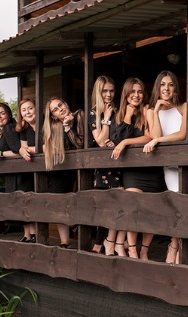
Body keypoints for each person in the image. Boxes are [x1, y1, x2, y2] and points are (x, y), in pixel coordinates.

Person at [110, 78, 161, 259]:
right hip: (132, 172)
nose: (136, 95)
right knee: (132, 209)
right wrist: (127, 117)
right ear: (126, 94)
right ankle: (132, 248)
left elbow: (148, 137)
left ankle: (144, 250)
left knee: (151, 213)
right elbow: (116, 139)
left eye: (139, 92)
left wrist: (125, 142)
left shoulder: (147, 110)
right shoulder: (119, 115)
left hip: (151, 171)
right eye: (132, 92)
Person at [142, 70, 188, 264]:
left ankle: (175, 246)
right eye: (162, 84)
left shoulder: (184, 107)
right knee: (174, 208)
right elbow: (154, 135)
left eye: (170, 84)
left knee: (183, 207)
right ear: (157, 87)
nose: (166, 88)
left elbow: (182, 133)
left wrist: (158, 140)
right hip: (167, 168)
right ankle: (175, 245)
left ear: (175, 87)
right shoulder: (150, 110)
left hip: (185, 165)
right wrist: (157, 111)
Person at [88, 75, 124, 256]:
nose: (109, 94)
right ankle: (98, 244)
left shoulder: (119, 109)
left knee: (121, 205)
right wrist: (107, 118)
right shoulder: (94, 112)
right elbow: (101, 140)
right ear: (98, 92)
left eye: (111, 90)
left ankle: (116, 242)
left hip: (121, 161)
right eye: (105, 91)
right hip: (104, 167)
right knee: (105, 207)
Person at [42, 96, 84, 248]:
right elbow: (46, 147)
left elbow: (81, 144)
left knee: (80, 202)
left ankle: (75, 228)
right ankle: (65, 242)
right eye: (55, 109)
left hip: (78, 168)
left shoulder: (78, 115)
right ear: (53, 116)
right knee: (59, 205)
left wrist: (68, 127)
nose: (61, 109)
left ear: (65, 103)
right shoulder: (53, 128)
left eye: (60, 105)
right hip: (58, 171)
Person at [14, 98, 38, 242]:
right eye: (24, 110)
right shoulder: (24, 129)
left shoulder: (45, 125)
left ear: (36, 108)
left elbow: (45, 147)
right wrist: (23, 150)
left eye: (30, 108)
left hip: (46, 168)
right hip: (30, 168)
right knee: (24, 196)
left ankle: (36, 233)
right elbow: (23, 148)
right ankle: (28, 234)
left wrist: (27, 149)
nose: (27, 112)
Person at [0, 102, 21, 195]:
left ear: (9, 115)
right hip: (9, 172)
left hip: (20, 173)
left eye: (2, 113)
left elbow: (19, 151)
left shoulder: (10, 128)